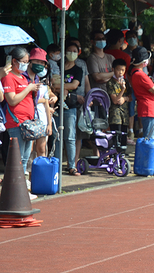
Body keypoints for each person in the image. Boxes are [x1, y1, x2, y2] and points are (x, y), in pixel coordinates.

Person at [1, 47, 41, 176]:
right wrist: (29, 88)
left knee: (24, 157)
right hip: (16, 122)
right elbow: (11, 100)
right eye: (23, 61)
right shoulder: (9, 77)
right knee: (17, 159)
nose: (26, 64)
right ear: (14, 61)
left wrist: (33, 89)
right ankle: (15, 186)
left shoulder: (24, 78)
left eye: (27, 61)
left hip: (27, 122)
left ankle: (22, 185)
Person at [60, 41, 84, 176]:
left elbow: (74, 85)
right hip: (56, 106)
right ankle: (57, 163)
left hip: (70, 106)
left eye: (75, 51)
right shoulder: (58, 66)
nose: (71, 53)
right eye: (69, 50)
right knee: (57, 137)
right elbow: (52, 83)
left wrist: (60, 86)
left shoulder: (78, 69)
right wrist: (60, 86)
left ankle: (71, 166)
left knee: (70, 136)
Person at [26, 48, 53, 158]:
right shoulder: (24, 78)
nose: (40, 65)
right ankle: (26, 172)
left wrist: (49, 124)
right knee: (29, 149)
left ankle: (40, 172)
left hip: (42, 119)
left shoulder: (41, 83)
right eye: (37, 61)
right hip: (28, 120)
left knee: (41, 148)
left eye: (42, 63)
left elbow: (46, 104)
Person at [129, 47, 154, 141]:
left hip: (146, 107)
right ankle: (148, 156)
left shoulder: (135, 73)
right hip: (148, 107)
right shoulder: (140, 75)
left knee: (150, 136)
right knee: (150, 138)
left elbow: (152, 86)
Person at [106, 58, 131, 140]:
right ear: (113, 69)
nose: (120, 72)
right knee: (116, 137)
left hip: (125, 114)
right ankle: (115, 153)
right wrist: (122, 90)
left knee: (124, 137)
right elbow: (115, 100)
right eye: (118, 69)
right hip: (115, 116)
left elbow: (131, 97)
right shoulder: (110, 83)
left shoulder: (126, 82)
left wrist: (125, 98)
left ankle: (122, 152)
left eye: (123, 70)